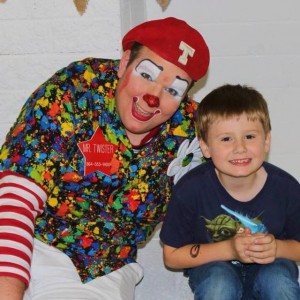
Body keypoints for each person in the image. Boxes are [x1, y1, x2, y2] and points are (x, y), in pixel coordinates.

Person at [0, 17, 210, 299]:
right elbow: (16, 200)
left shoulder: (193, 132)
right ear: (124, 63)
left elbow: (234, 184)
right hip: (24, 236)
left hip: (94, 269)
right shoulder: (74, 91)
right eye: (146, 74)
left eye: (173, 89)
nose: (153, 97)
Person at [160, 84, 300, 300]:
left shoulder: (287, 189)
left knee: (279, 281)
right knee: (219, 284)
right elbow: (171, 256)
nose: (240, 147)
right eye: (226, 139)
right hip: (214, 268)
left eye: (250, 136)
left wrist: (277, 248)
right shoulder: (190, 189)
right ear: (205, 147)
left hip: (272, 266)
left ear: (267, 141)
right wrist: (230, 250)